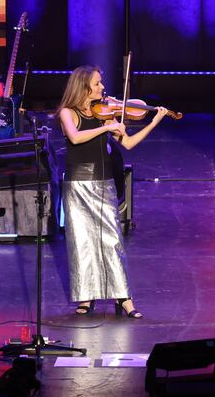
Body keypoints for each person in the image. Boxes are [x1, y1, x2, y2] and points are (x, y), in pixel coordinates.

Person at [58, 65, 168, 317]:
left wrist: (154, 121)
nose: (102, 88)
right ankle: (86, 296)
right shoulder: (67, 112)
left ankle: (123, 298)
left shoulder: (106, 114)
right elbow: (75, 137)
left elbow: (128, 143)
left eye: (101, 83)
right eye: (97, 83)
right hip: (77, 185)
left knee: (112, 240)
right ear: (83, 86)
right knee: (81, 242)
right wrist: (106, 128)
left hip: (104, 182)